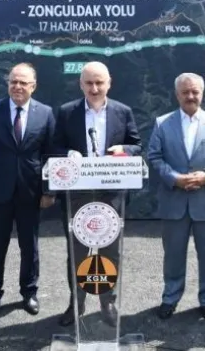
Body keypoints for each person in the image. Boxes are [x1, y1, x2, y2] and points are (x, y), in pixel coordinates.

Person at [52, 61, 141, 327]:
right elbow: (54, 147)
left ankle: (107, 302)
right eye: (89, 83)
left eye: (99, 83)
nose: (94, 88)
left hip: (111, 194)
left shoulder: (122, 112)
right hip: (76, 195)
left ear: (108, 84)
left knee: (109, 251)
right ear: (81, 85)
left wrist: (123, 150)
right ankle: (77, 302)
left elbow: (136, 145)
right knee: (77, 252)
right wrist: (69, 153)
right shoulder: (67, 112)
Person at [147, 72, 205, 322]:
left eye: (195, 91)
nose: (190, 96)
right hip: (174, 201)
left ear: (202, 93)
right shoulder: (162, 123)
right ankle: (170, 297)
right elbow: (154, 156)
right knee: (173, 255)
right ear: (177, 95)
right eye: (185, 92)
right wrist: (174, 178)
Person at [0, 63, 56, 318]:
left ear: (33, 86)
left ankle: (29, 293)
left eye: (23, 82)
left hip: (31, 193)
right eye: (13, 82)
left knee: (29, 248)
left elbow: (50, 155)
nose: (17, 86)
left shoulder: (45, 114)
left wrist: (49, 191)